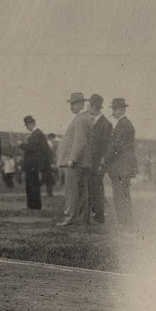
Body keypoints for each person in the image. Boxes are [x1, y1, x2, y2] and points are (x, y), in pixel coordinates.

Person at [56, 93, 93, 226]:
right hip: (81, 163)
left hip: (76, 163)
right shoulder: (83, 118)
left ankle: (71, 217)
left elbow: (80, 141)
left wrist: (72, 159)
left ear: (82, 104)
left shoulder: (81, 119)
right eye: (71, 103)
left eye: (74, 103)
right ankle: (82, 218)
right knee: (81, 191)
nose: (71, 106)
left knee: (72, 191)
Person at [103, 98, 136, 226]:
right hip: (123, 166)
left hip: (121, 166)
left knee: (120, 195)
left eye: (115, 108)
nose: (113, 111)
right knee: (122, 195)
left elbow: (116, 147)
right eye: (113, 108)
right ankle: (125, 221)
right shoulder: (124, 124)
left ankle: (125, 222)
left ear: (122, 109)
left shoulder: (123, 124)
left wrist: (105, 160)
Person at [87, 94, 113, 224]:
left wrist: (102, 165)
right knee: (90, 189)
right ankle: (93, 215)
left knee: (97, 189)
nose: (87, 108)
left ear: (94, 107)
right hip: (89, 163)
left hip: (97, 164)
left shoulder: (106, 124)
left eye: (89, 105)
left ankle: (99, 217)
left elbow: (107, 147)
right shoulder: (90, 121)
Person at [20, 115, 52, 210]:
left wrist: (22, 145)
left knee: (32, 185)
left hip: (33, 164)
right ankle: (32, 205)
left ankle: (34, 205)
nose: (26, 127)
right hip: (33, 164)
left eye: (27, 125)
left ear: (31, 124)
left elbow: (33, 148)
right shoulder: (37, 134)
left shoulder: (37, 134)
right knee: (32, 184)